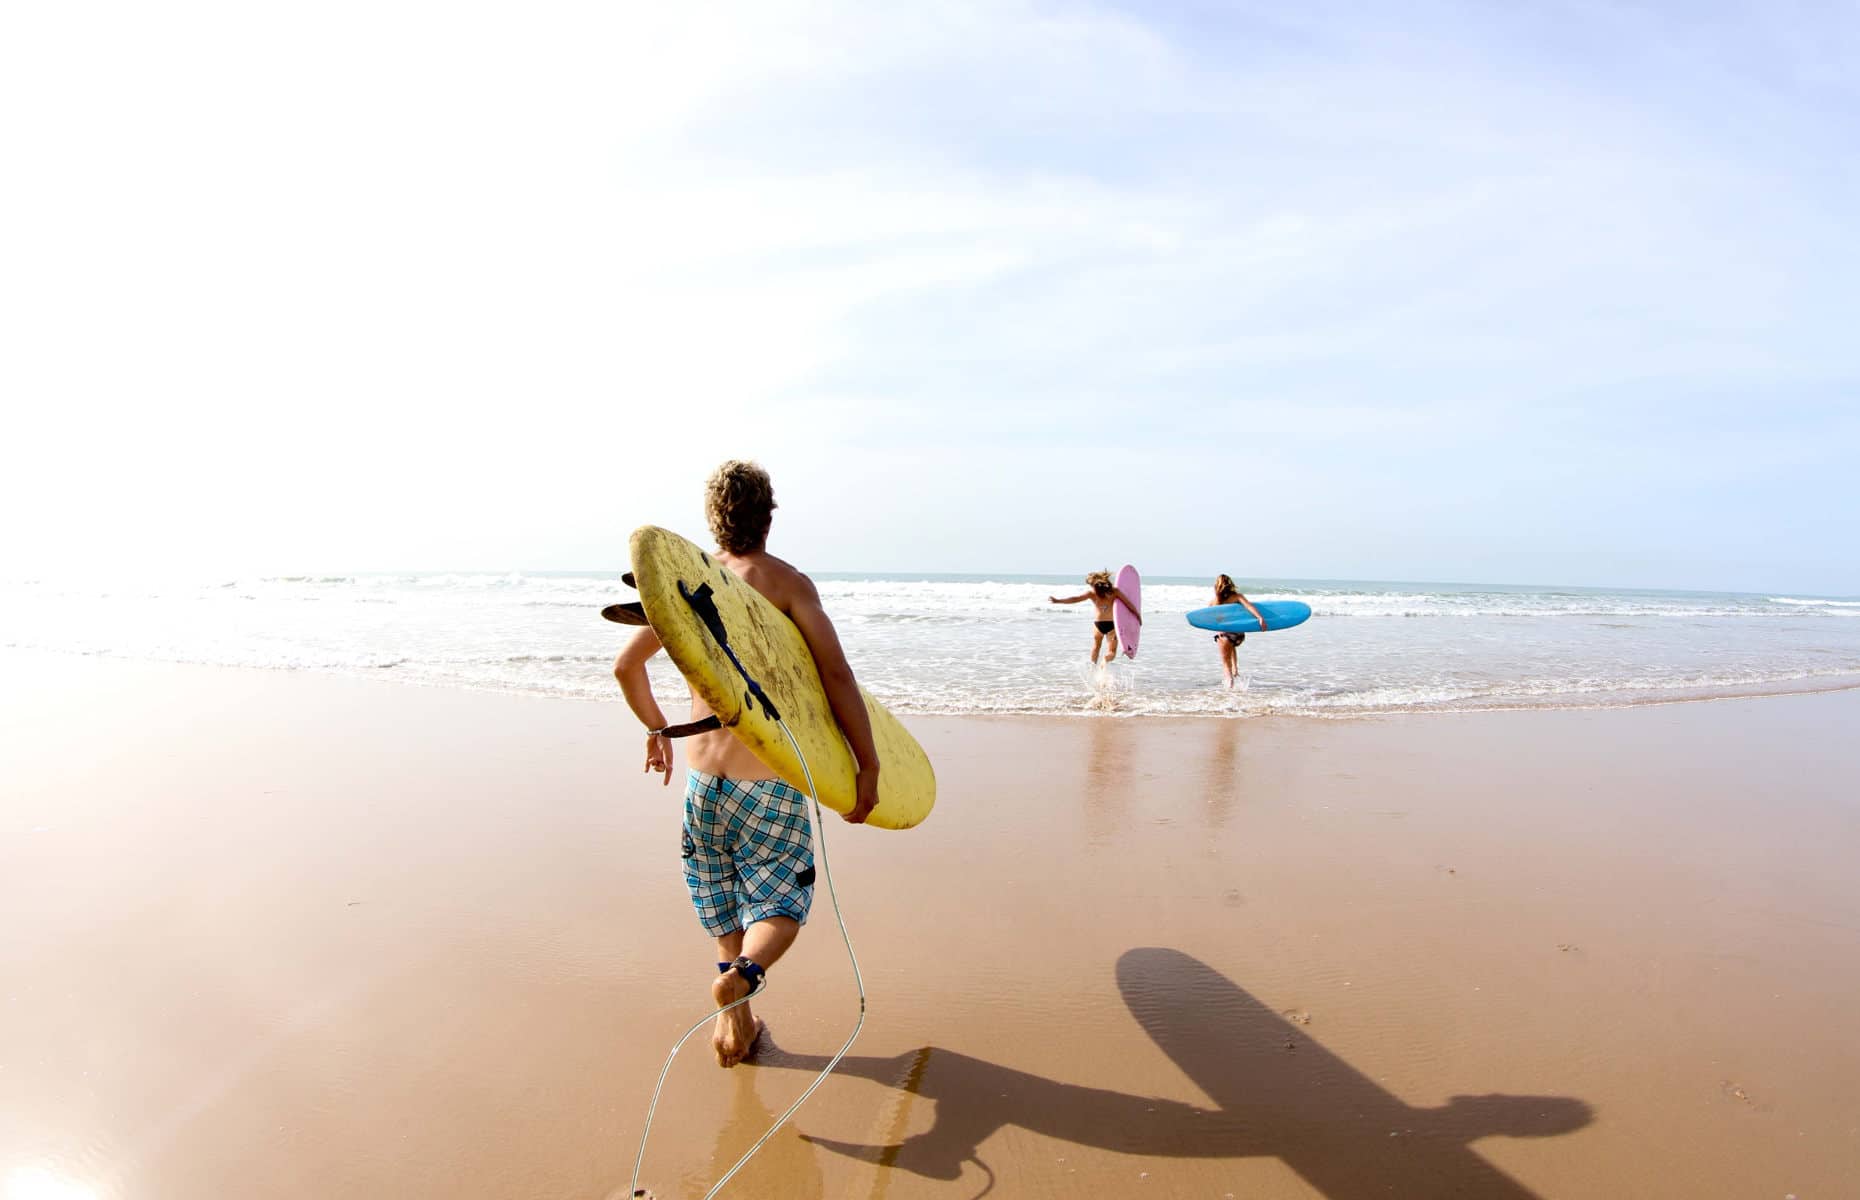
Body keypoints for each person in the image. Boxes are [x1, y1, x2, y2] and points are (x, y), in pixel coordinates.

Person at [611, 460, 881, 1068]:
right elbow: (837, 677)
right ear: (769, 516)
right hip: (768, 782)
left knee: (719, 894)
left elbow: (627, 668)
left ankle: (737, 1017)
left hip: (704, 781)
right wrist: (867, 766)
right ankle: (746, 975)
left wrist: (657, 728)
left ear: (713, 519)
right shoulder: (787, 584)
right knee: (781, 905)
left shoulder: (685, 588)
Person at [1050, 569, 1141, 664]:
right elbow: (1128, 604)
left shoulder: (1092, 593)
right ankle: (1105, 661)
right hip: (1112, 625)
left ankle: (1093, 670)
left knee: (1096, 647)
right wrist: (1137, 615)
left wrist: (1058, 601)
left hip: (1098, 624)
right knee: (1112, 652)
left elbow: (1075, 599)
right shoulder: (1114, 591)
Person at [1211, 573, 1268, 688]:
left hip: (1225, 635)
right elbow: (1249, 607)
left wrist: (1218, 628)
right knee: (1230, 646)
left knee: (1226, 664)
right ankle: (1236, 669)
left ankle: (1230, 688)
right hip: (1239, 635)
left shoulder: (1214, 602)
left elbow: (1211, 619)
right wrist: (1260, 618)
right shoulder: (1237, 597)